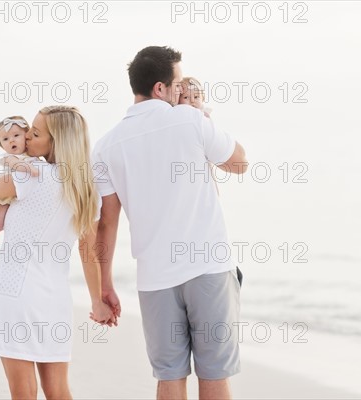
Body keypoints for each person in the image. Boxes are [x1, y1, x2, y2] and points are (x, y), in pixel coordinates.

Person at [92, 46, 248, 399]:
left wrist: (104, 285)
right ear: (161, 88)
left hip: (155, 278)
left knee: (168, 378)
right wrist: (201, 118)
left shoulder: (105, 147)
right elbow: (239, 163)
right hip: (208, 268)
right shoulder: (190, 119)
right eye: (177, 84)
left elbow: (107, 224)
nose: (181, 91)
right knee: (214, 376)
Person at [0, 105, 116, 400]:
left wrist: (11, 169)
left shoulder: (30, 176)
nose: (26, 138)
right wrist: (97, 301)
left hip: (15, 295)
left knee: (23, 393)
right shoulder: (85, 188)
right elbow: (88, 251)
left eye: (35, 133)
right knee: (58, 391)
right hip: (56, 299)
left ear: (55, 142)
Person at [0, 116, 40, 249]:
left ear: (26, 136)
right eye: (5, 139)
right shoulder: (8, 158)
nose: (11, 140)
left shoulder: (33, 155)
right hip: (4, 197)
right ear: (1, 145)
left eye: (16, 135)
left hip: (19, 195)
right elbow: (16, 165)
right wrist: (29, 168)